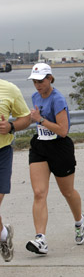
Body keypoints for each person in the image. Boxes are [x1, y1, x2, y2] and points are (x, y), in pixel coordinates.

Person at [26, 63, 84, 255]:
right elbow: (34, 119)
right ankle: (40, 239)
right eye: (35, 81)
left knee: (67, 192)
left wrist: (41, 120)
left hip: (60, 148)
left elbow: (63, 130)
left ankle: (79, 221)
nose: (38, 85)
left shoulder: (58, 99)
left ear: (50, 78)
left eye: (41, 81)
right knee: (39, 192)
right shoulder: (35, 96)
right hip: (40, 146)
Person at [0, 79, 31, 262]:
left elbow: (26, 118)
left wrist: (10, 126)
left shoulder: (9, 89)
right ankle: (3, 235)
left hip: (1, 153)